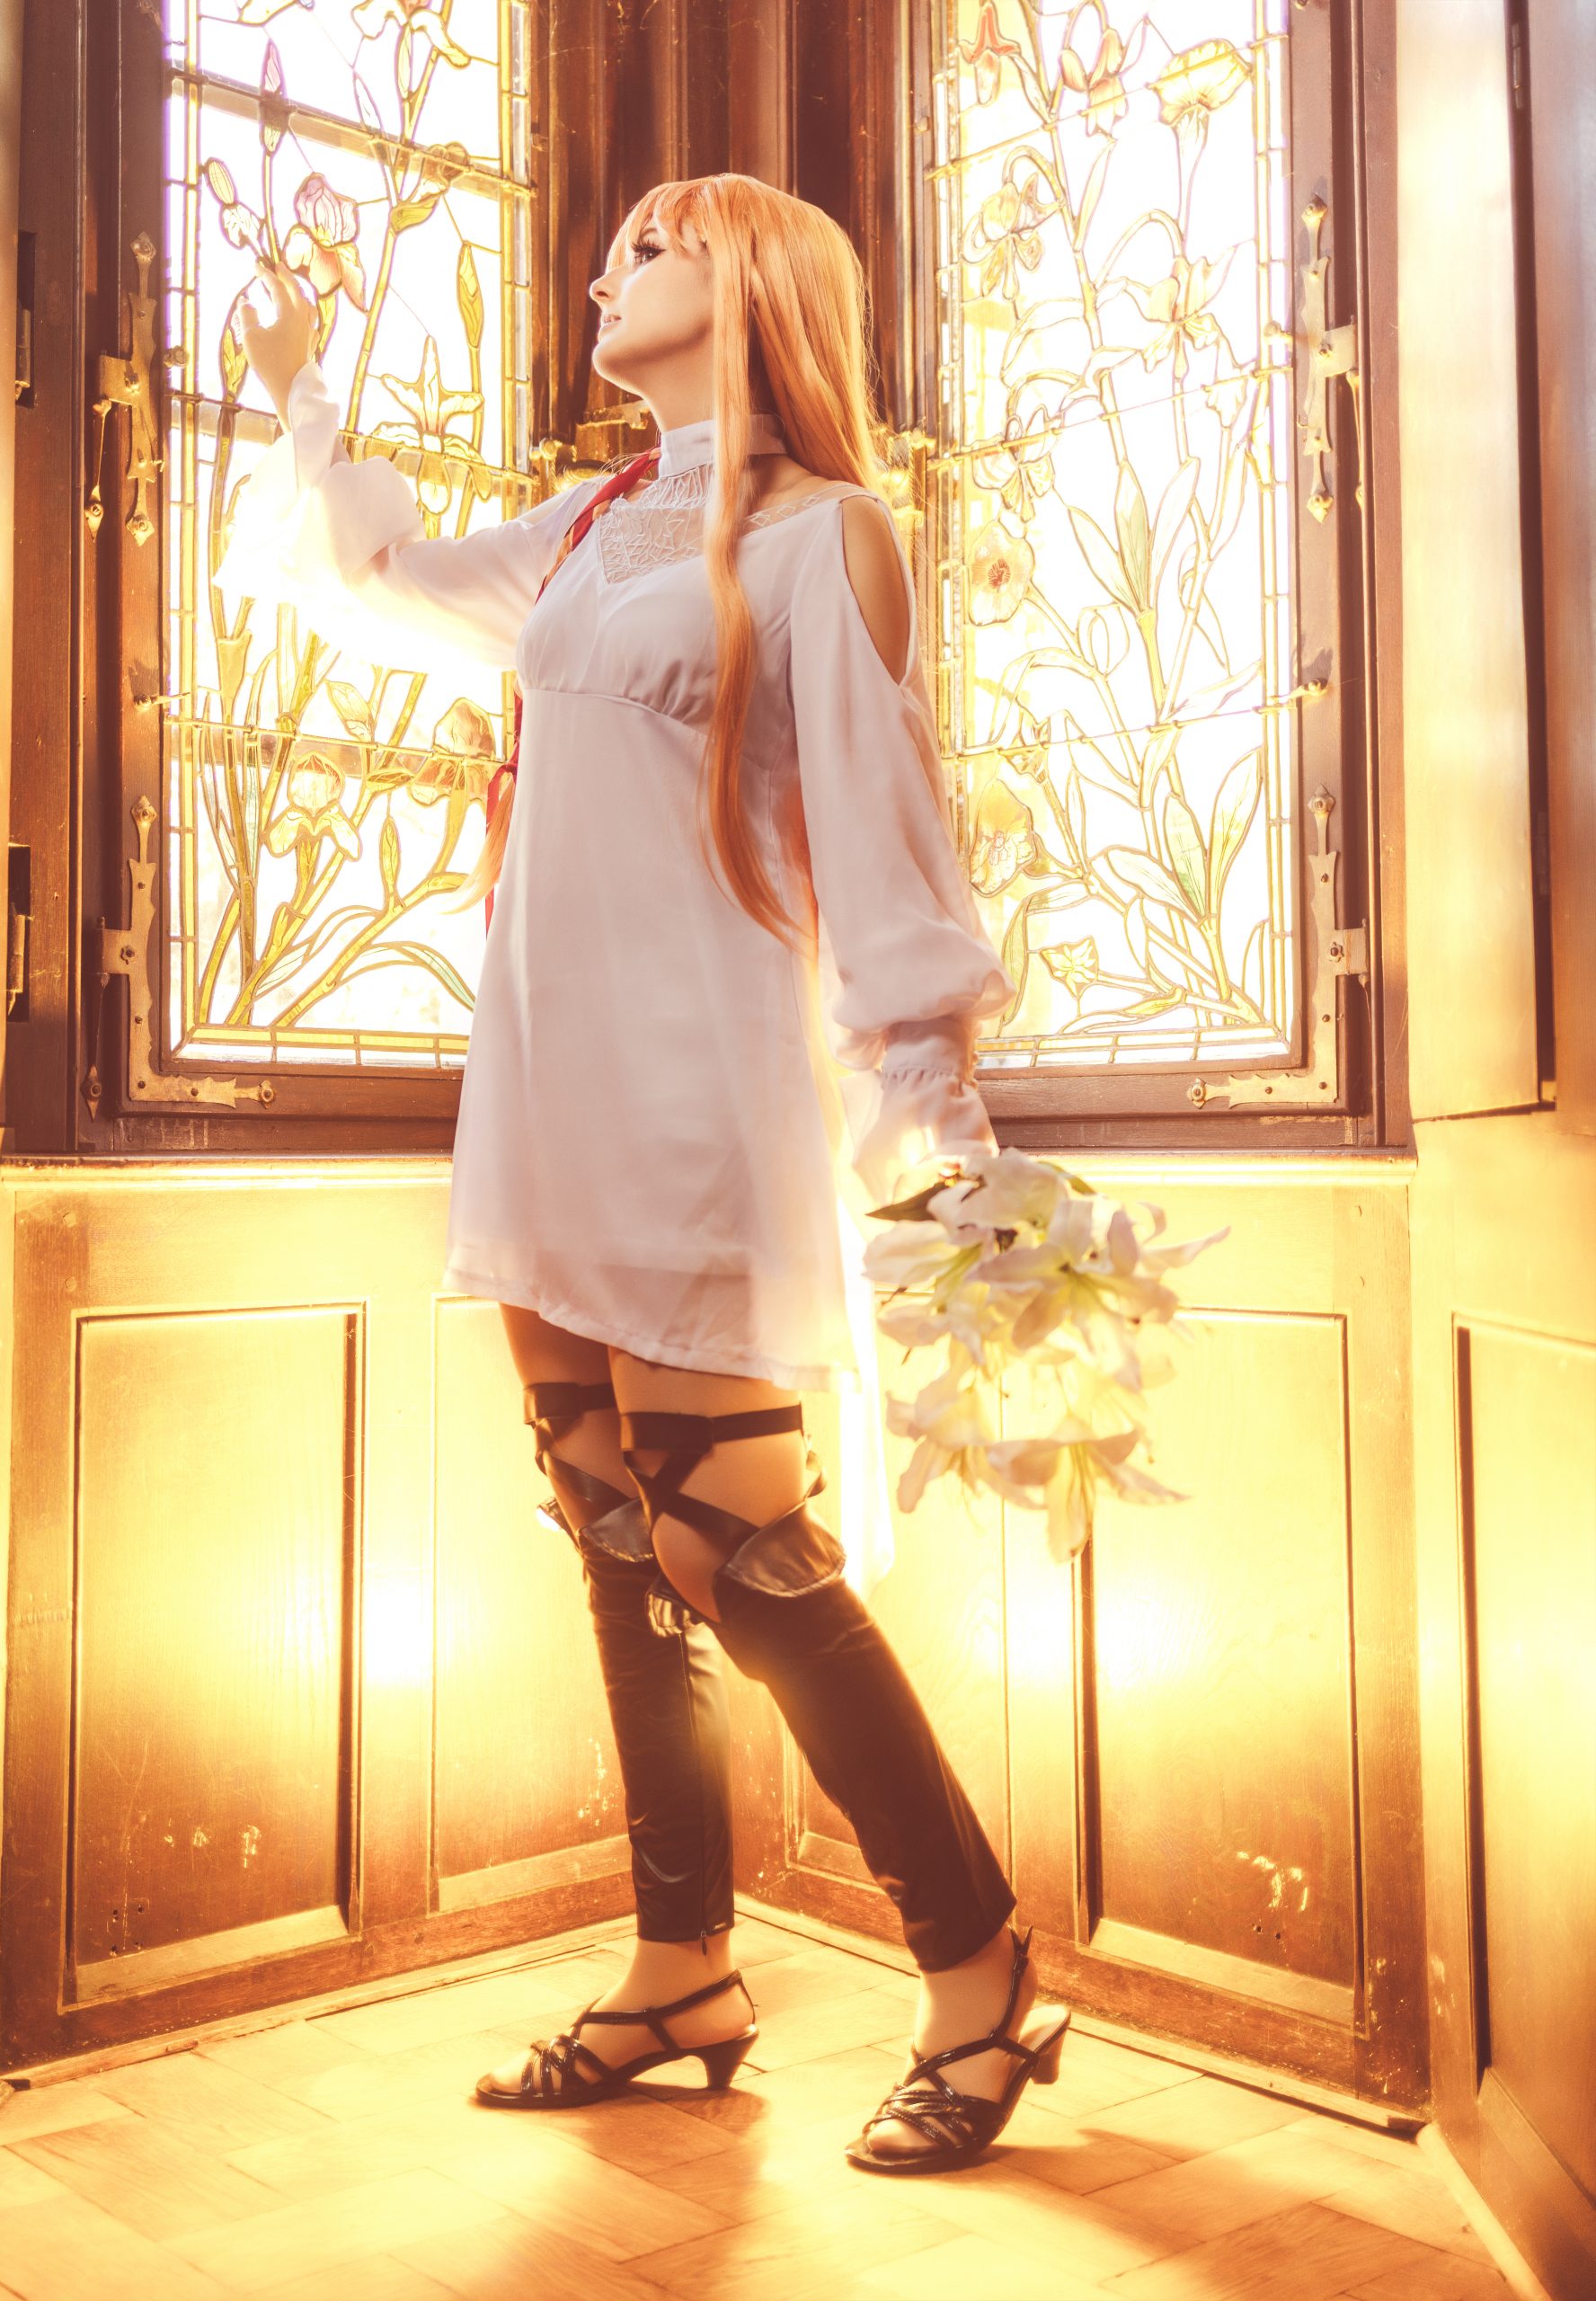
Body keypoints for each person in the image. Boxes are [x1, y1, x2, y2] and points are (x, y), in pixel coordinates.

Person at [223, 170, 1070, 2172]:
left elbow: (885, 851)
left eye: (656, 245)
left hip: (702, 1097)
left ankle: (979, 1970)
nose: (609, 268)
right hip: (547, 1090)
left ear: (759, 281)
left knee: (731, 1544)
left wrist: (941, 1150)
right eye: (609, 249)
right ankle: (681, 1962)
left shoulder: (823, 535)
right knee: (611, 1521)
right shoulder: (595, 527)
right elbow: (378, 577)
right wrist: (298, 389)